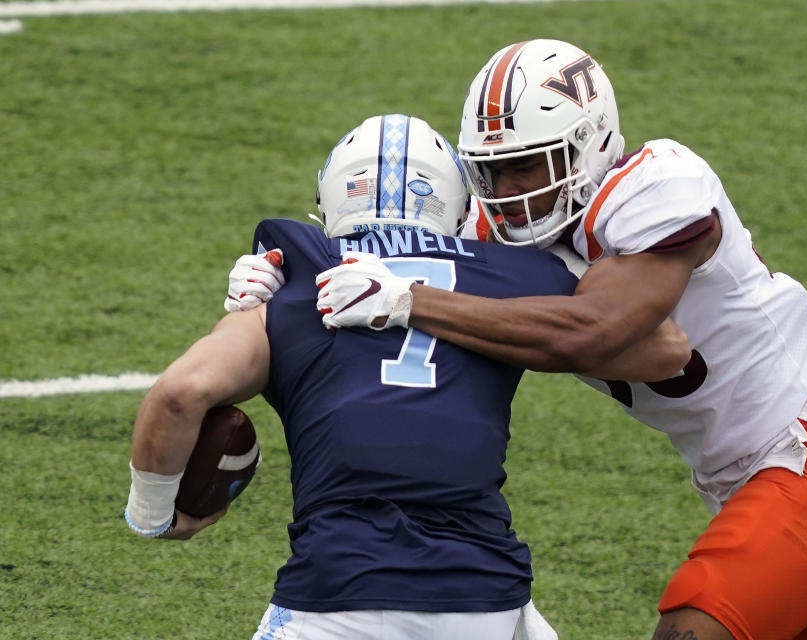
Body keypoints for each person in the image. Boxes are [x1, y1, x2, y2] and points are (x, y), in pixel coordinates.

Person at [299, 41, 807, 640]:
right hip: (739, 476)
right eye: (491, 171)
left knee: (692, 627)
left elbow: (604, 332)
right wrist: (285, 277)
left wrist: (412, 301)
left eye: (526, 165)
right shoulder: (495, 224)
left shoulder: (657, 186)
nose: (510, 192)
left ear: (588, 145)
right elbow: (383, 254)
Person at [126, 113, 689, 640]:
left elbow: (181, 393)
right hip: (486, 593)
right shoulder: (513, 272)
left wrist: (154, 517)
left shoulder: (295, 273)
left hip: (339, 592)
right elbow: (667, 352)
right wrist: (551, 285)